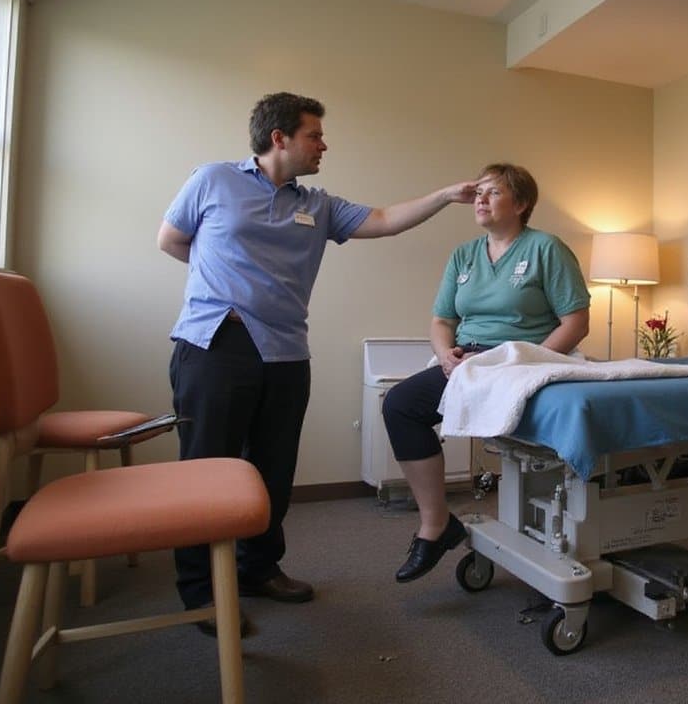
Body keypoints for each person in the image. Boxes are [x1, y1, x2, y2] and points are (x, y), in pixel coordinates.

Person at [158, 91, 476, 632]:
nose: (323, 145)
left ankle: (258, 568)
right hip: (215, 345)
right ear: (279, 138)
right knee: (206, 469)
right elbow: (171, 240)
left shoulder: (318, 205)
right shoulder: (213, 179)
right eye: (315, 135)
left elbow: (385, 219)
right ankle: (201, 591)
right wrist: (226, 280)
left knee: (274, 468)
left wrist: (446, 195)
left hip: (285, 351)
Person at [381, 163, 590, 582]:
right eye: (478, 193)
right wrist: (445, 356)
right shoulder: (464, 255)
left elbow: (576, 322)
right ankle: (436, 523)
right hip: (471, 361)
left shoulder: (545, 248)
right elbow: (442, 321)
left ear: (522, 203)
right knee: (400, 405)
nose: (480, 199)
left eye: (493, 192)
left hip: (522, 358)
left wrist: (530, 361)